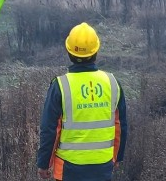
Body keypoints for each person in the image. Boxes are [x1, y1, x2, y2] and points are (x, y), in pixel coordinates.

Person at [37, 22, 127, 181]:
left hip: (69, 168)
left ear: (69, 52)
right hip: (103, 167)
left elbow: (50, 130)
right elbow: (120, 126)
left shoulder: (60, 86)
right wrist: (117, 157)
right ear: (96, 51)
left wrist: (44, 164)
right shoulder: (112, 83)